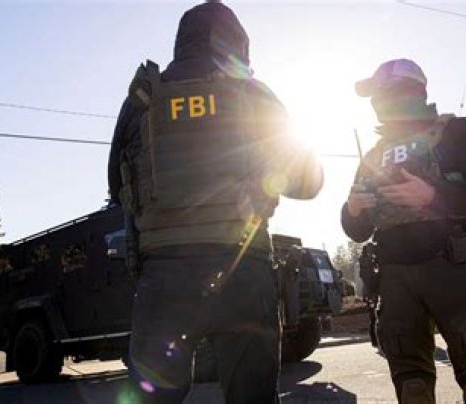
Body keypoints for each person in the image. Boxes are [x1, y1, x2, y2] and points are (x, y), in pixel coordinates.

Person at [107, 2, 323, 403]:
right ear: (237, 44)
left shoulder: (142, 98)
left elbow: (116, 185)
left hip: (164, 279)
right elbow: (309, 182)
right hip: (243, 273)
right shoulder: (254, 95)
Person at [341, 59, 466, 404]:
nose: (380, 101)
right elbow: (357, 231)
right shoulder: (374, 156)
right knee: (412, 387)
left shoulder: (457, 132)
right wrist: (353, 210)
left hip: (452, 269)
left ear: (414, 91)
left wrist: (434, 196)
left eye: (386, 92)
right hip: (395, 279)